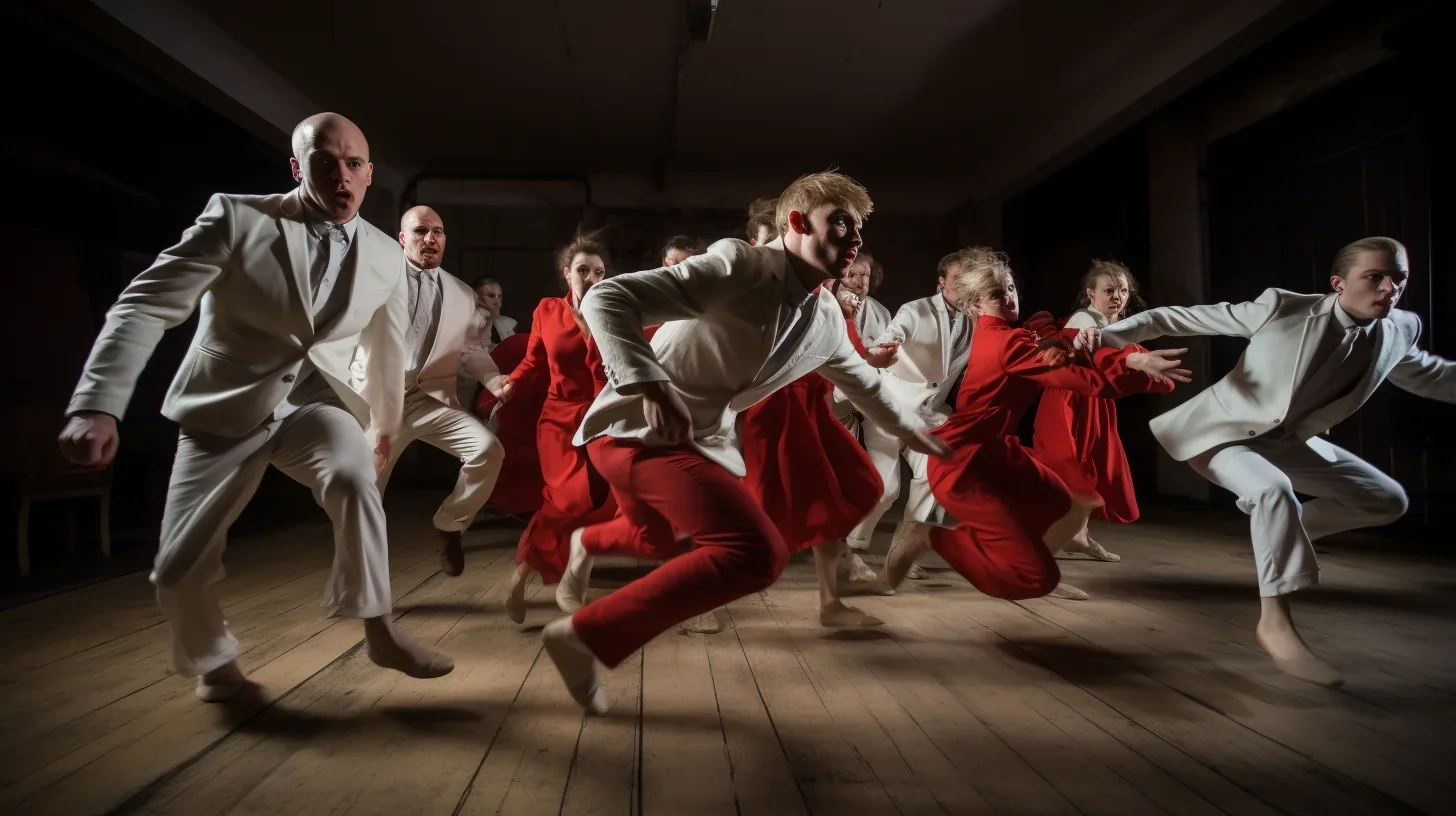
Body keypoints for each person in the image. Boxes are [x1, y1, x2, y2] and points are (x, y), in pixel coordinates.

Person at [57, 112, 452, 702]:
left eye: (353, 165)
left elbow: (387, 349)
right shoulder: (238, 217)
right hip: (226, 405)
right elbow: (144, 306)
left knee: (353, 478)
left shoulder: (384, 254)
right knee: (177, 570)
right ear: (298, 168)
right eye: (326, 163)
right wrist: (97, 404)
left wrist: (384, 427)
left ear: (369, 175)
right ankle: (215, 663)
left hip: (313, 407)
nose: (341, 177)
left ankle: (380, 630)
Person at [541, 171, 949, 714]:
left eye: (859, 229)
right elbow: (608, 300)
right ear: (798, 223)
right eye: (842, 224)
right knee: (755, 555)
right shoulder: (736, 264)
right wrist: (650, 386)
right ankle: (583, 637)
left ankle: (584, 544)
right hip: (638, 433)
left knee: (657, 542)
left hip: (693, 440)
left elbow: (866, 383)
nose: (854, 240)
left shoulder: (825, 316)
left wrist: (915, 430)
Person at [1096, 236, 1456, 685]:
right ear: (1338, 284)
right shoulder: (1283, 308)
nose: (1389, 289)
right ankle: (1274, 623)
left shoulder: (1400, 327)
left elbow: (1430, 375)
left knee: (1385, 499)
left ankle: (1277, 536)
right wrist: (1101, 339)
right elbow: (1177, 317)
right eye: (1375, 277)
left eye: (1397, 279)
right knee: (1272, 491)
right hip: (1221, 435)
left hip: (1288, 440)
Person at [882, 249, 1184, 602]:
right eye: (997, 295)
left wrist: (1113, 353)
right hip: (964, 460)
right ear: (977, 305)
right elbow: (1085, 380)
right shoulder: (1006, 343)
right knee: (1035, 579)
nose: (1009, 297)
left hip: (998, 449)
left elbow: (1054, 343)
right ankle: (930, 537)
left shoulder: (1012, 335)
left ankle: (1024, 557)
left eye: (1010, 288)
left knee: (1055, 498)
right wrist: (1138, 368)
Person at [352, 206, 508, 576]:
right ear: (402, 239)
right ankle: (365, 581)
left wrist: (494, 380)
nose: (430, 239)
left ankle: (450, 525)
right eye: (421, 231)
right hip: (379, 402)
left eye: (437, 231)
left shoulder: (460, 293)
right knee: (365, 489)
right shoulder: (374, 279)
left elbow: (470, 349)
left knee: (488, 451)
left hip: (430, 399)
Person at [500, 230, 623, 623]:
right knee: (566, 500)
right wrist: (508, 385)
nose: (591, 278)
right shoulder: (547, 310)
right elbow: (533, 362)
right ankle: (525, 576)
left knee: (603, 502)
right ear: (566, 273)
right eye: (583, 270)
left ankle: (549, 578)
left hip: (602, 419)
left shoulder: (615, 310)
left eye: (599, 272)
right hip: (558, 422)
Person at [845, 251, 979, 583]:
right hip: (891, 406)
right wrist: (882, 349)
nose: (964, 286)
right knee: (886, 488)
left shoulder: (974, 318)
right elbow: (894, 333)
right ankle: (854, 552)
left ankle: (903, 549)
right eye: (958, 279)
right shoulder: (915, 309)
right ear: (942, 282)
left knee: (936, 475)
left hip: (930, 413)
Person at [1032, 259, 1149, 563]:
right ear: (1090, 293)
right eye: (1109, 290)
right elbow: (1098, 359)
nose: (1117, 297)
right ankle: (1043, 546)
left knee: (1093, 469)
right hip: (1070, 401)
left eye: (1123, 290)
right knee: (1073, 471)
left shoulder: (1115, 323)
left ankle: (1080, 537)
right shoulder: (1084, 319)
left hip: (1096, 403)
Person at [458, 277, 514, 407]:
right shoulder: (473, 319)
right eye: (491, 296)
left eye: (499, 296)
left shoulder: (505, 323)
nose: (497, 301)